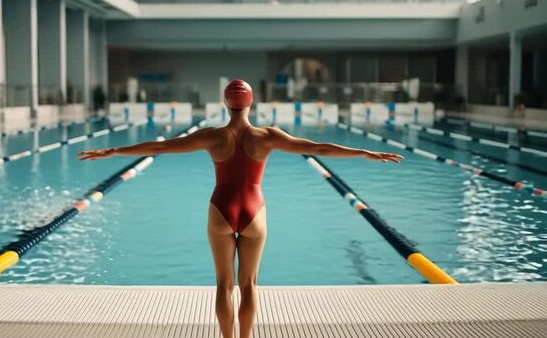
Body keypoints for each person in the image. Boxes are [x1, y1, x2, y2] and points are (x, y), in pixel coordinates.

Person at [78, 79, 404, 338]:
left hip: (220, 207)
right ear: (251, 103)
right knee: (248, 286)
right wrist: (364, 152)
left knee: (224, 285)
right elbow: (318, 147)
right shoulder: (266, 136)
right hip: (254, 210)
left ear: (225, 103)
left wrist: (113, 150)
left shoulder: (211, 136)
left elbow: (159, 147)